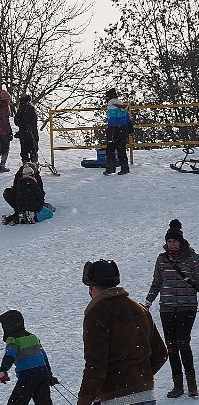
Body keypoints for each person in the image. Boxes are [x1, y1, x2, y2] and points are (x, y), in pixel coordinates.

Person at [78, 259, 168, 405]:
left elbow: (96, 363)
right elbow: (161, 354)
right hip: (146, 396)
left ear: (91, 287)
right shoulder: (139, 309)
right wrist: (138, 378)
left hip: (115, 399)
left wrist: (84, 399)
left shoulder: (96, 313)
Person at [144, 219, 199, 398]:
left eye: (174, 241)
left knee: (183, 342)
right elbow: (157, 282)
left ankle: (192, 385)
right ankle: (178, 385)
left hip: (187, 306)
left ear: (181, 241)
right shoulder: (162, 259)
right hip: (166, 306)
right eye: (169, 241)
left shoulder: (192, 258)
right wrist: (148, 302)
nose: (172, 244)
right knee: (171, 346)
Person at [0, 310, 55, 405]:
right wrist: (49, 375)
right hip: (42, 374)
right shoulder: (33, 337)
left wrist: (3, 369)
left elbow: (10, 355)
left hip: (28, 377)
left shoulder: (13, 339)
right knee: (44, 402)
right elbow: (44, 357)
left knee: (16, 402)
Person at [103, 88, 132, 176]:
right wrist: (130, 129)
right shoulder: (122, 104)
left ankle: (110, 169)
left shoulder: (111, 104)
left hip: (115, 129)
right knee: (121, 149)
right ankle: (125, 168)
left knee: (110, 150)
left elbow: (112, 119)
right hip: (123, 129)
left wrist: (110, 133)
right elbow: (127, 118)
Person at [14, 95, 39, 163]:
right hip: (33, 134)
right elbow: (34, 122)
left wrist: (23, 125)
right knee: (33, 151)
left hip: (24, 135)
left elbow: (16, 121)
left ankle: (26, 166)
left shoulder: (20, 110)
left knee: (24, 153)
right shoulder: (32, 109)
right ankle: (34, 166)